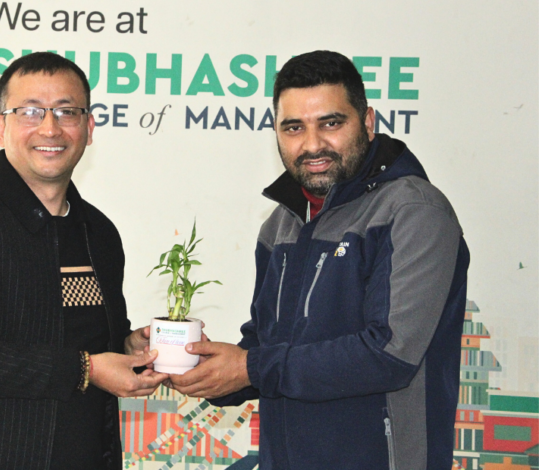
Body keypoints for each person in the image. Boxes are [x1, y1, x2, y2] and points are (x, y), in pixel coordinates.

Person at [168, 50, 469, 470]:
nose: (312, 145)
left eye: (331, 123)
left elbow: (389, 354)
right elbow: (267, 347)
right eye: (294, 127)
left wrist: (250, 368)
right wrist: (202, 369)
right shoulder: (281, 223)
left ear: (367, 122)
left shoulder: (413, 210)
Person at [0, 52, 167, 470]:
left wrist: (127, 347)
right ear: (0, 126)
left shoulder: (98, 232)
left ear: (89, 128)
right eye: (30, 111)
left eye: (66, 111)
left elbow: (74, 338)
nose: (50, 128)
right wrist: (87, 369)